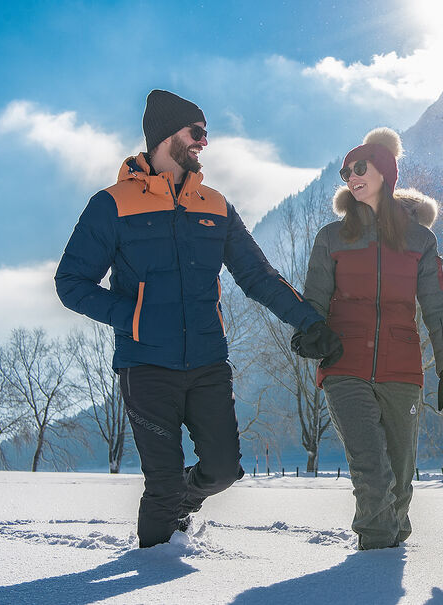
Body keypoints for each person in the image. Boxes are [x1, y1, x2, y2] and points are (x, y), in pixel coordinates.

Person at [54, 89, 339, 548]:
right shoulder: (112, 204)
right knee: (162, 484)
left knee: (223, 470)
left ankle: (181, 505)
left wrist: (309, 322)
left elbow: (258, 275)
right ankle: (153, 558)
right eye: (197, 132)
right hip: (146, 365)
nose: (204, 142)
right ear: (166, 134)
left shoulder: (215, 205)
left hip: (208, 362)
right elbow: (71, 282)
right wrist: (133, 317)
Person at [293, 127, 443, 550]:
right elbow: (313, 301)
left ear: (385, 171)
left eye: (359, 168)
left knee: (401, 479)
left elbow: (436, 308)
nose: (351, 177)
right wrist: (309, 332)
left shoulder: (420, 240)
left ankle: (392, 548)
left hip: (402, 369)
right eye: (345, 172)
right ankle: (373, 562)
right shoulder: (331, 238)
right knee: (371, 470)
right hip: (344, 365)